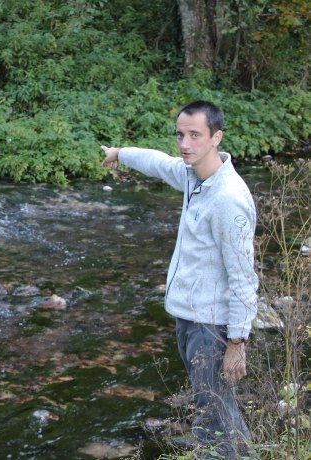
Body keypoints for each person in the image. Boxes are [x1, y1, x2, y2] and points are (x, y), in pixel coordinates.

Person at [101, 100, 258, 458]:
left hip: (211, 325)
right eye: (180, 135)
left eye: (195, 135)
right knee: (216, 407)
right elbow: (157, 162)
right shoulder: (193, 175)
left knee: (211, 415)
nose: (185, 144)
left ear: (216, 137)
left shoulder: (228, 199)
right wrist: (120, 153)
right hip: (189, 316)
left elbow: (243, 278)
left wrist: (237, 343)